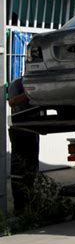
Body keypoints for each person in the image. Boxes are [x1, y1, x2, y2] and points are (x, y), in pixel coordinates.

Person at [8, 77, 40, 213]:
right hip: (19, 129)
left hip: (33, 129)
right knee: (18, 168)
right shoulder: (16, 84)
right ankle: (19, 207)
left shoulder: (38, 83)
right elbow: (12, 102)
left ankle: (31, 205)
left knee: (32, 167)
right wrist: (31, 94)